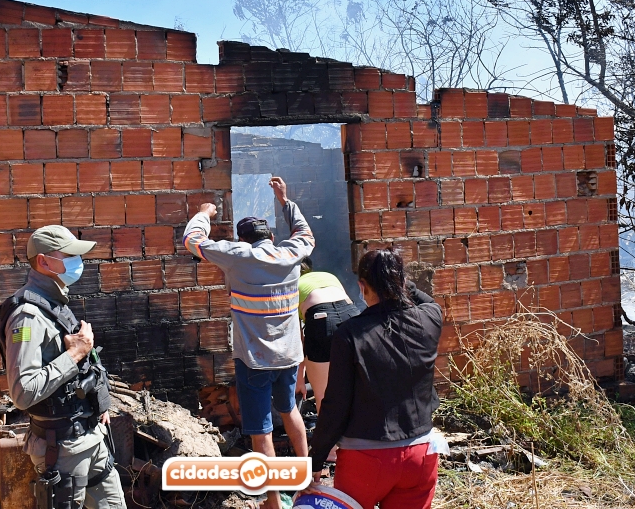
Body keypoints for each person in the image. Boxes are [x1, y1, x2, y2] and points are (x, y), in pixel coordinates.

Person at [183, 176, 312, 509]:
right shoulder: (291, 253)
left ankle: (272, 500)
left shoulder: (236, 255)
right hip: (289, 356)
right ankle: (306, 480)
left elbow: (192, 240)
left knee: (261, 431)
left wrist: (204, 213)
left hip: (255, 360)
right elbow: (305, 233)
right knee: (290, 410)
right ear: (270, 237)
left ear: (243, 239)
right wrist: (284, 202)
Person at [0, 225, 125, 509]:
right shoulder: (26, 317)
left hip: (90, 436)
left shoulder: (54, 302)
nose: (78, 263)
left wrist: (97, 404)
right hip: (62, 450)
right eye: (69, 256)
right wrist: (75, 353)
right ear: (43, 261)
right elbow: (23, 391)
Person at [308, 248, 444, 509]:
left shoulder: (349, 334)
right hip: (421, 453)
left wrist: (317, 458)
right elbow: (426, 300)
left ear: (362, 287)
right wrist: (397, 279)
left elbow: (336, 404)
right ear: (402, 282)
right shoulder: (430, 319)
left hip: (366, 460)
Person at [295, 258, 359, 413]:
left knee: (323, 394)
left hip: (321, 318)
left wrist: (299, 379)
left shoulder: (291, 286)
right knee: (356, 388)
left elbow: (297, 339)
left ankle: (328, 435)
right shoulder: (327, 275)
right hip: (352, 316)